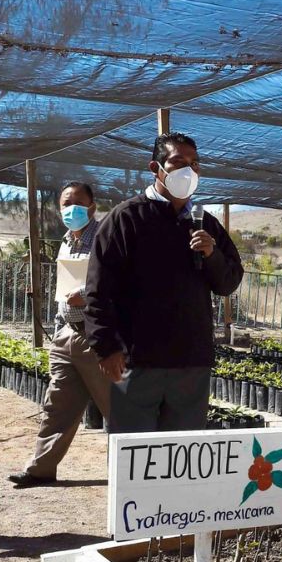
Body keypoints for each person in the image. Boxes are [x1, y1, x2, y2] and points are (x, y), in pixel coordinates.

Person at [83, 133, 243, 433]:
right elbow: (98, 290)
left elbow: (228, 282)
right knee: (134, 456)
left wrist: (212, 255)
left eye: (194, 164)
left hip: (191, 363)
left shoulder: (205, 223)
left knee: (181, 458)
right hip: (137, 361)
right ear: (156, 168)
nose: (189, 170)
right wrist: (106, 348)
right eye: (179, 163)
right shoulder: (125, 218)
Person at [8, 182, 111, 488]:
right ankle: (40, 469)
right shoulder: (66, 242)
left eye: (79, 203)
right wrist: (58, 332)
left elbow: (118, 283)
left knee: (117, 410)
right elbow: (62, 291)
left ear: (92, 207)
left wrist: (87, 295)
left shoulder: (105, 238)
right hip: (67, 335)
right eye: (66, 203)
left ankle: (130, 474)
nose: (71, 209)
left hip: (96, 336)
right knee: (57, 406)